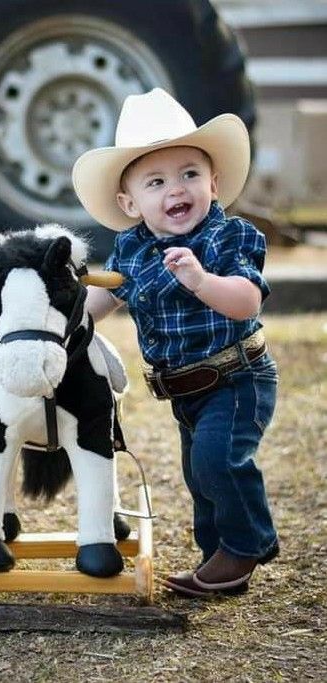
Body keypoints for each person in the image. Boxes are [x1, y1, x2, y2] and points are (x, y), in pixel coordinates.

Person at [72, 88, 279, 598]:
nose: (176, 190)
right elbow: (102, 304)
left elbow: (247, 302)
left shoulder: (230, 237)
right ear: (130, 203)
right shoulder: (132, 248)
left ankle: (243, 546)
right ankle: (218, 555)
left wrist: (201, 280)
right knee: (198, 474)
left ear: (215, 181)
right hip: (182, 390)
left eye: (190, 174)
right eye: (156, 182)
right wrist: (66, 319)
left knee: (217, 460)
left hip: (237, 376)